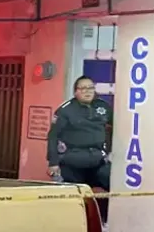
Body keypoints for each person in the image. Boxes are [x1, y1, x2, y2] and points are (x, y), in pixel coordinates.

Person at [47, 76, 114, 221]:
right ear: (75, 92)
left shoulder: (103, 107)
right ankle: (72, 223)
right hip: (73, 161)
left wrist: (110, 151)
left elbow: (115, 128)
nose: (87, 91)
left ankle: (103, 222)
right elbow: (53, 136)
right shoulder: (66, 110)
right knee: (73, 198)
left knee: (113, 187)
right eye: (83, 88)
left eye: (90, 88)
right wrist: (53, 163)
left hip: (97, 159)